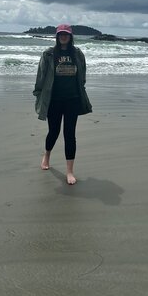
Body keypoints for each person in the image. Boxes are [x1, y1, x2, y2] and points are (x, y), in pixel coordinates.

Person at [33, 24, 92, 184]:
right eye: (61, 34)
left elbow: (82, 75)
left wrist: (80, 90)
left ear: (70, 36)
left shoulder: (77, 54)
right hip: (54, 99)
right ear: (57, 36)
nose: (63, 36)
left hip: (72, 99)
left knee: (70, 134)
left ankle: (70, 172)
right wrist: (38, 93)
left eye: (66, 34)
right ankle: (46, 156)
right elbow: (41, 74)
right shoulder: (49, 54)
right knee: (53, 131)